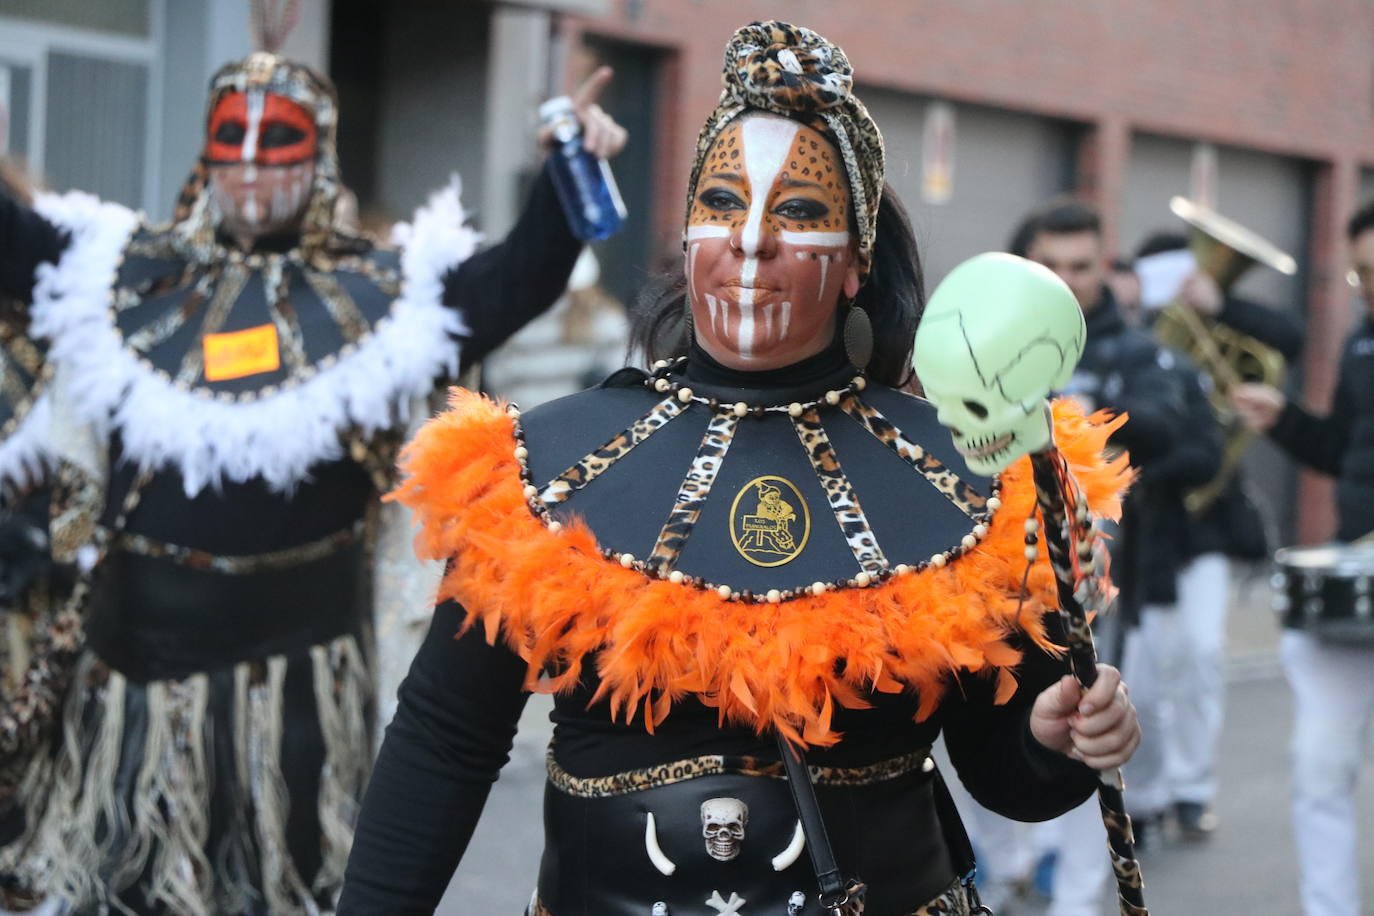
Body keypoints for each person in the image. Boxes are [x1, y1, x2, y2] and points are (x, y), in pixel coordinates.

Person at [338, 22, 1139, 916]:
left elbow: (1009, 773)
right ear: (688, 236)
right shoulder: (541, 469)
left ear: (857, 261)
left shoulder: (974, 478)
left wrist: (1058, 740)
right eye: (722, 202)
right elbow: (445, 741)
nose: (750, 240)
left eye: (798, 211)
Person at [0, 51, 626, 914]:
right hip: (131, 686)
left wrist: (567, 168)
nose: (253, 163)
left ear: (320, 152)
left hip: (292, 698)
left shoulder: (379, 298)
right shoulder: (124, 272)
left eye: (279, 141)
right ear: (206, 152)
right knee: (123, 892)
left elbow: (514, 279)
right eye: (232, 137)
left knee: (282, 892)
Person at [1000, 198, 1218, 915]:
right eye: (1050, 265)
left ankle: (1078, 897)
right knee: (984, 712)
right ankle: (1003, 873)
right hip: (991, 565)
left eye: (1081, 265)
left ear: (1103, 267)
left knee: (1084, 721)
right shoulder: (985, 335)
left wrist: (1070, 418)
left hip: (1089, 567)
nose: (1066, 279)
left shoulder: (1134, 350)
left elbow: (1165, 425)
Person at [1132, 229, 1303, 839]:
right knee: (1144, 673)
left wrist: (1222, 305)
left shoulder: (1215, 322)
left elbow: (1291, 342)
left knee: (1201, 655)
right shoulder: (1131, 333)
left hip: (1206, 522)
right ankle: (1145, 794)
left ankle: (1192, 789)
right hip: (1145, 528)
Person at [1232, 201, 1374, 916]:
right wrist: (1283, 420)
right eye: (1360, 274)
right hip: (1356, 581)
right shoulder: (1360, 342)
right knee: (1320, 766)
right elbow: (1343, 451)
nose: (1368, 287)